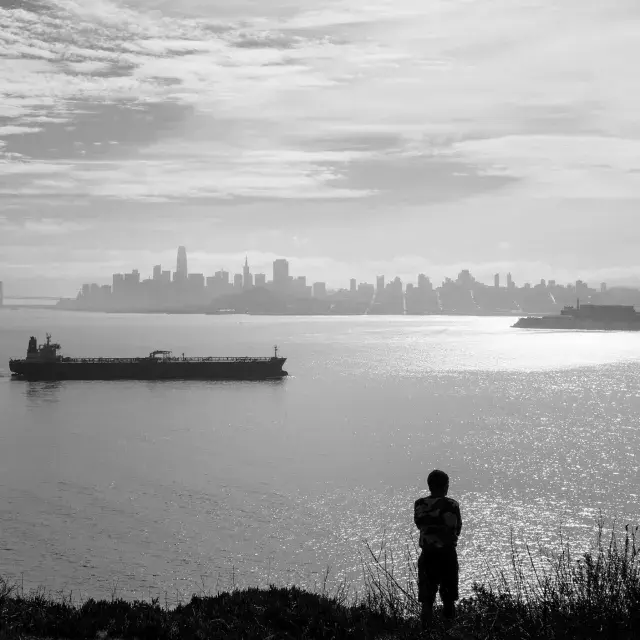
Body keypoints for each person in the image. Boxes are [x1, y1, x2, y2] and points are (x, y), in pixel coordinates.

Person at [414, 469, 462, 631]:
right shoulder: (452, 505)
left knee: (427, 602)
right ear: (445, 486)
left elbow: (419, 524)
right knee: (448, 600)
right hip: (447, 556)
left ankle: (426, 633)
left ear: (429, 486)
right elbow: (457, 529)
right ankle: (449, 633)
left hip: (427, 556)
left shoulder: (420, 504)